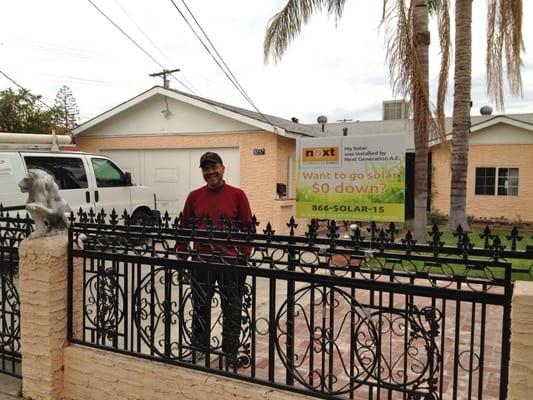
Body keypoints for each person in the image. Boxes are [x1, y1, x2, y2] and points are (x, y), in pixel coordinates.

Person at [180, 151, 253, 368]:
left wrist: (243, 255)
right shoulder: (194, 196)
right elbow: (185, 227)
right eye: (206, 168)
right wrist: (183, 255)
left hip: (231, 263)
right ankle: (199, 349)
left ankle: (230, 352)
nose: (210, 172)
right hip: (202, 262)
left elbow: (248, 227)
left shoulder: (238, 195)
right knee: (200, 307)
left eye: (214, 167)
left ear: (222, 168)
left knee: (232, 309)